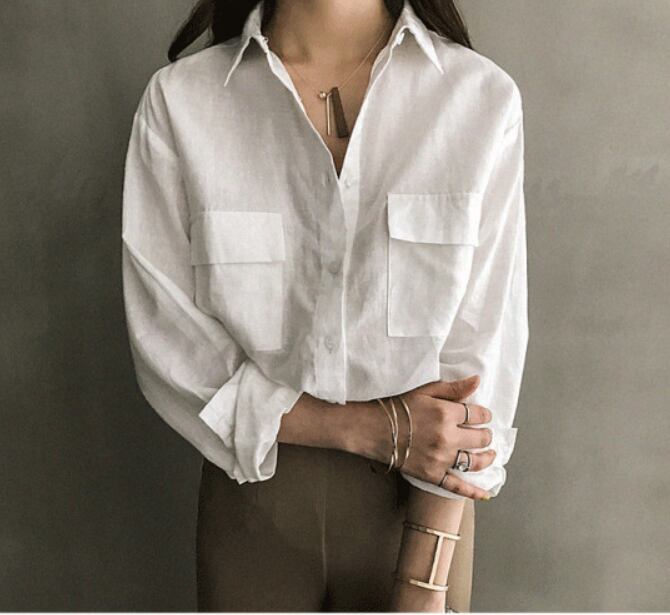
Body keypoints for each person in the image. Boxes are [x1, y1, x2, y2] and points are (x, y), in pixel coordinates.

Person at [121, 0, 528, 611]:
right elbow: (170, 344)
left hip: (421, 510)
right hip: (254, 497)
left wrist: (424, 581)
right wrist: (368, 430)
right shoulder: (182, 102)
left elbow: (483, 353)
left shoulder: (478, 98)